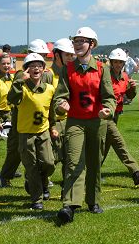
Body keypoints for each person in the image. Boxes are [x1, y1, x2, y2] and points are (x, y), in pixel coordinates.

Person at [53, 27, 115, 224]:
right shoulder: (67, 69)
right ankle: (69, 205)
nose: (77, 44)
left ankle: (93, 200)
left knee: (94, 162)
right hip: (75, 122)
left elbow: (109, 97)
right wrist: (61, 106)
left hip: (97, 122)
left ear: (92, 45)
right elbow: (60, 96)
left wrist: (108, 110)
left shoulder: (102, 69)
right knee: (73, 162)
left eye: (82, 41)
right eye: (76, 41)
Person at [0, 39, 53, 188]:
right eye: (39, 54)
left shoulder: (45, 73)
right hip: (20, 116)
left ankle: (38, 177)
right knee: (17, 149)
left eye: (43, 56)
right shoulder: (22, 74)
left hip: (38, 117)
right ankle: (6, 175)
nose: (41, 58)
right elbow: (14, 97)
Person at [7, 53, 56, 210]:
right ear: (26, 70)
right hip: (26, 134)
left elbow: (52, 111)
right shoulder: (21, 88)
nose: (36, 68)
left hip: (43, 132)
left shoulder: (49, 89)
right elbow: (11, 99)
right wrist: (21, 79)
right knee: (32, 166)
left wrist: (53, 127)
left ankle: (42, 182)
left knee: (48, 163)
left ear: (44, 69)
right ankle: (37, 199)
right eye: (32, 66)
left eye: (39, 65)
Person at [102, 48, 139, 186]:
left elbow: (130, 96)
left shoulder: (125, 76)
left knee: (105, 145)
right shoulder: (104, 76)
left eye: (120, 62)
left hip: (117, 115)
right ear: (111, 62)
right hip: (105, 115)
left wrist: (132, 88)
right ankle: (135, 171)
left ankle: (91, 172)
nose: (117, 65)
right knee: (119, 142)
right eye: (115, 62)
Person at [48, 38, 76, 185]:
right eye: (67, 55)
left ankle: (67, 186)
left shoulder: (71, 74)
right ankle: (38, 181)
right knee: (51, 158)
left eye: (72, 55)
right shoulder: (48, 74)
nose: (71, 58)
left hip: (69, 121)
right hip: (53, 122)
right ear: (57, 55)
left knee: (69, 157)